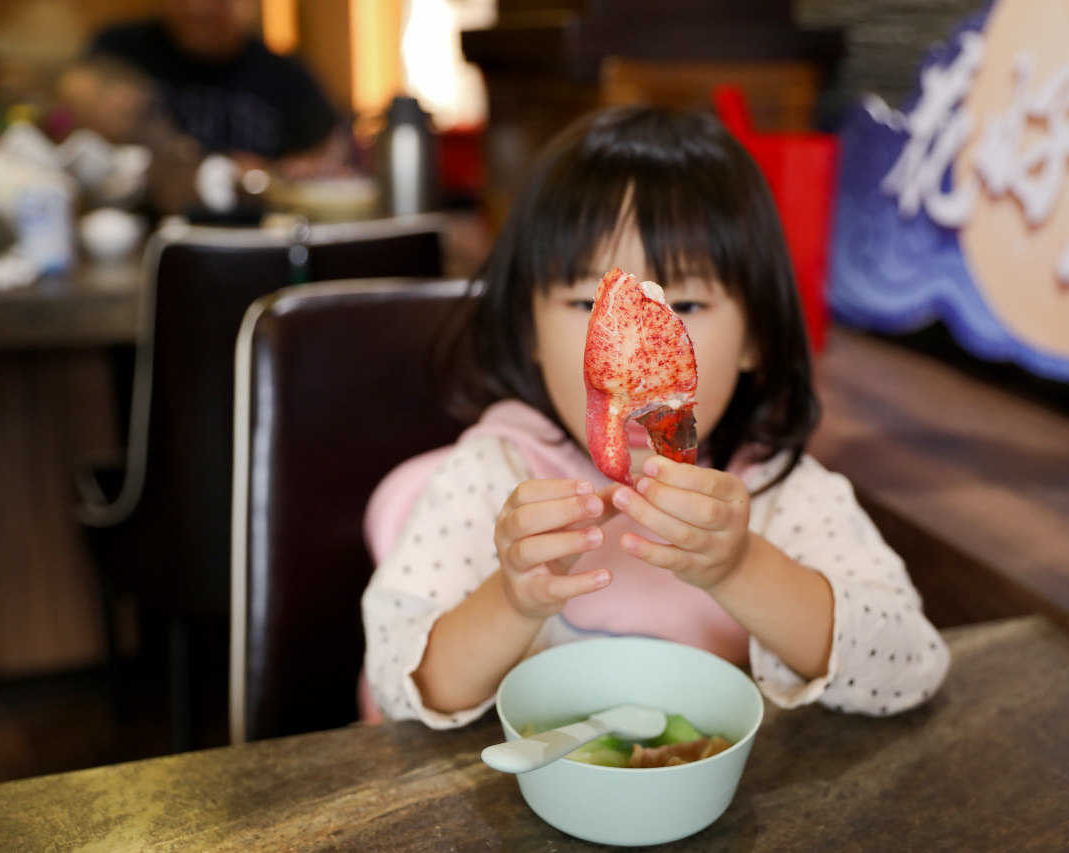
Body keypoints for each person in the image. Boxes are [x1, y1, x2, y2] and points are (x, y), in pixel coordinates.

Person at [360, 106, 949, 728]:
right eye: (590, 300)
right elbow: (397, 687)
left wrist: (743, 565)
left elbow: (910, 669)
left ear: (756, 337)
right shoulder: (488, 477)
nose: (635, 351)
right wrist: (511, 598)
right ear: (528, 329)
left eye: (686, 301)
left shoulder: (783, 495)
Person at [63, 0, 343, 184]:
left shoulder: (286, 72)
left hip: (256, 234)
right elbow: (68, 107)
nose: (199, 7)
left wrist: (285, 172)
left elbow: (331, 147)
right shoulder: (122, 49)